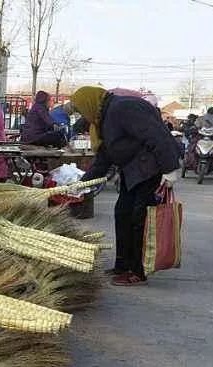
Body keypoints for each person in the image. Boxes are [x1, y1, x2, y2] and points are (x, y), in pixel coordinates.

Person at [72, 86, 180, 286]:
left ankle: (137, 271)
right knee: (122, 213)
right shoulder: (103, 118)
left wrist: (170, 168)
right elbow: (105, 157)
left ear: (90, 102)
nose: (82, 115)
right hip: (132, 172)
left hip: (148, 169)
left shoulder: (123, 108)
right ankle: (122, 264)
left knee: (138, 219)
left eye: (81, 109)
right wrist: (82, 184)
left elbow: (156, 135)